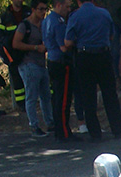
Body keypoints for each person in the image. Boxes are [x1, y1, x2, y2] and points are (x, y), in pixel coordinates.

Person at [65, 0, 121, 140]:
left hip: (84, 57)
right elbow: (111, 35)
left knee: (88, 96)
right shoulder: (104, 13)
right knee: (110, 93)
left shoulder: (75, 16)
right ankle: (117, 129)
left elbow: (68, 42)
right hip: (103, 55)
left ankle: (95, 133)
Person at [14, 0, 54, 137]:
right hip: (28, 64)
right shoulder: (24, 26)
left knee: (46, 96)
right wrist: (35, 48)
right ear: (33, 9)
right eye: (40, 9)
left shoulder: (43, 24)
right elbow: (16, 43)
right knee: (32, 96)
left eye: (45, 9)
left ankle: (50, 123)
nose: (43, 12)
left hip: (42, 64)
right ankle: (34, 125)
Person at [43, 0, 80, 141]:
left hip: (52, 61)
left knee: (57, 98)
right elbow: (64, 46)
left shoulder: (47, 20)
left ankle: (61, 130)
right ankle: (64, 132)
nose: (69, 9)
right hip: (61, 63)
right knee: (63, 99)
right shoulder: (58, 22)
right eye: (67, 6)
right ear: (59, 5)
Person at [0, 0, 31, 110]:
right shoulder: (5, 15)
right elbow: (1, 36)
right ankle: (21, 104)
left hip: (28, 49)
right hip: (13, 52)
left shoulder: (28, 11)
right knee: (17, 79)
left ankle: (34, 101)